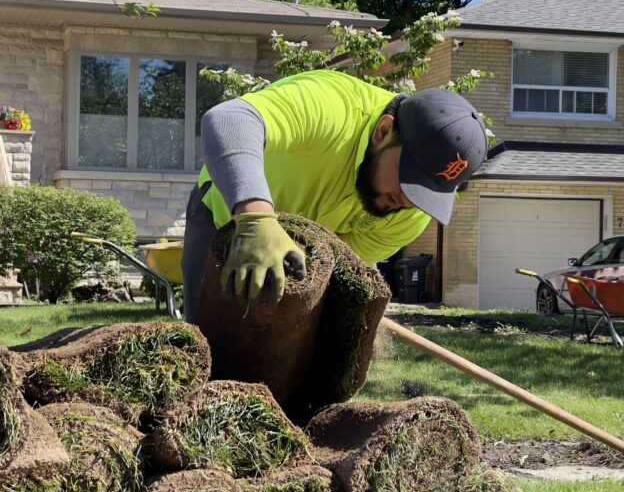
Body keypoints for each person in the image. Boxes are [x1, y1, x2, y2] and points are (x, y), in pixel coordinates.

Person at [182, 69, 488, 321]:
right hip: (225, 213)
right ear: (384, 131)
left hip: (303, 245)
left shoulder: (411, 215)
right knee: (209, 339)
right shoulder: (332, 107)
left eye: (428, 192)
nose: (409, 202)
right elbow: (228, 119)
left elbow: (333, 271)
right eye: (409, 181)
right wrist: (255, 217)